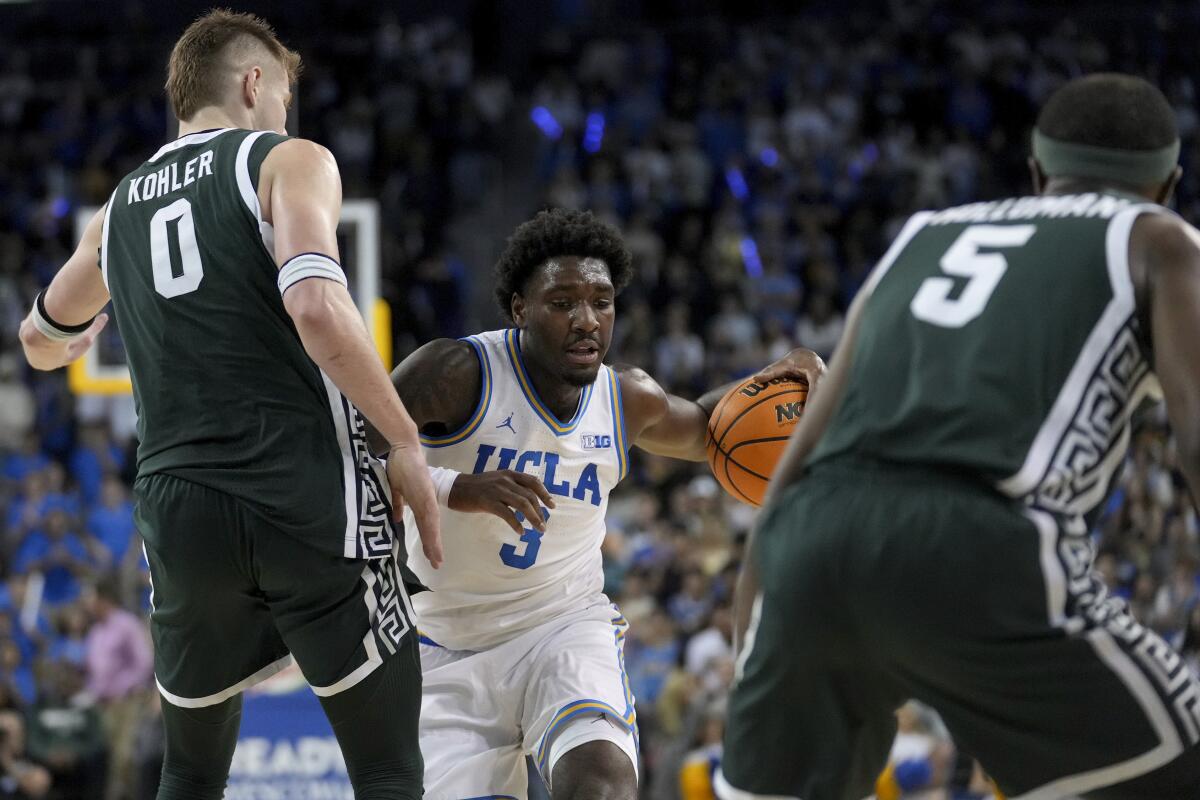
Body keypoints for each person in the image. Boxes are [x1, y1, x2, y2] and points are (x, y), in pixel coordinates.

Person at [717, 73, 1200, 799]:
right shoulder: (1161, 237)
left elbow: (800, 464)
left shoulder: (922, 236)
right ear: (1169, 185)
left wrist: (758, 621)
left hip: (808, 544)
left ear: (1037, 174)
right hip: (982, 545)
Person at [18, 10, 445, 799]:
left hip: (179, 508)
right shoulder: (287, 160)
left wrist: (65, 345)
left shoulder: (118, 210)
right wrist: (403, 439)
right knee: (387, 768)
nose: (286, 110)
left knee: (188, 772)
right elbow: (316, 306)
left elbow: (38, 336)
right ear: (254, 84)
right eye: (283, 93)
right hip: (302, 492)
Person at [380, 208, 824, 799]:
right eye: (562, 302)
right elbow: (343, 458)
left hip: (562, 626)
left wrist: (773, 382)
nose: (587, 320)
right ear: (519, 309)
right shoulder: (456, 372)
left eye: (602, 301)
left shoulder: (626, 398)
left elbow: (711, 429)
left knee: (602, 784)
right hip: (442, 644)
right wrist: (454, 489)